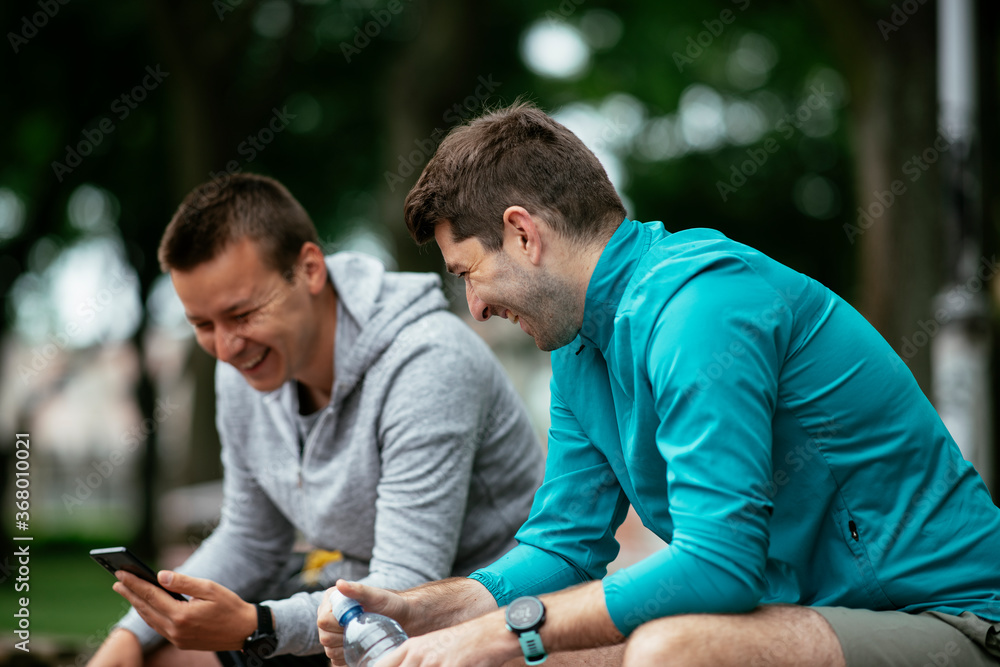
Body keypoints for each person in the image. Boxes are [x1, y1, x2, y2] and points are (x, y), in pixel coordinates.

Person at [316, 103, 1000, 667]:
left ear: (522, 233)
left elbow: (718, 567)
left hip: (951, 618)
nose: (476, 308)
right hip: (806, 616)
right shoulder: (579, 345)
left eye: (466, 271)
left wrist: (502, 629)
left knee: (674, 649)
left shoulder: (699, 308)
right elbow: (562, 547)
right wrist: (421, 610)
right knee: (533, 653)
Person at [87, 173, 544, 667]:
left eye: (242, 314)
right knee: (159, 659)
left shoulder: (427, 360)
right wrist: (130, 636)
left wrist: (257, 626)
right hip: (349, 610)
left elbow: (406, 588)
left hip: (477, 620)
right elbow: (252, 537)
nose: (226, 347)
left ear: (308, 269)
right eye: (202, 324)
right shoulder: (243, 368)